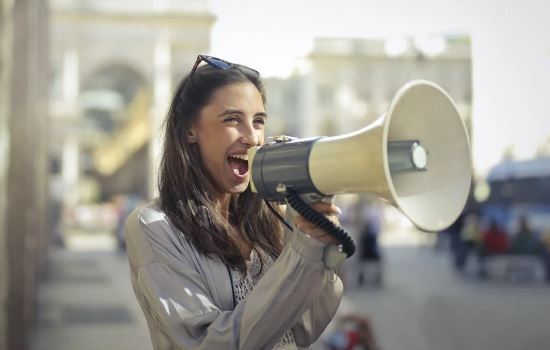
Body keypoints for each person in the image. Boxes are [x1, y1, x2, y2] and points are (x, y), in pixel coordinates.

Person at [125, 55, 344, 350]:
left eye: (258, 122)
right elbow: (212, 343)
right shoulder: (154, 226)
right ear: (190, 130)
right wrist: (302, 254)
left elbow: (305, 327)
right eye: (232, 120)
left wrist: (319, 248)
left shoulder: (272, 217)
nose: (253, 137)